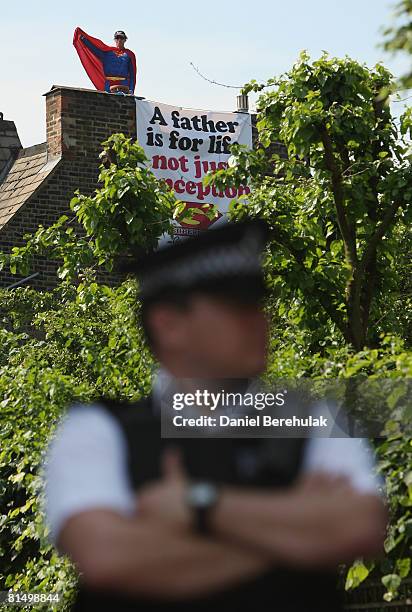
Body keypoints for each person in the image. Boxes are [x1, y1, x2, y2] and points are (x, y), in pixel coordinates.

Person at [44, 220, 387, 611]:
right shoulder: (96, 430)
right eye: (237, 306)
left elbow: (362, 528)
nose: (260, 320)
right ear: (169, 325)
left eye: (259, 304)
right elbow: (107, 556)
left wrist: (198, 505)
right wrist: (297, 538)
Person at [73, 27, 136, 94]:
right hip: (109, 85)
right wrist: (83, 39)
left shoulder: (129, 54)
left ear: (125, 40)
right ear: (115, 40)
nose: (119, 40)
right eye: (117, 38)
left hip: (124, 85)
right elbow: (94, 50)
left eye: (121, 38)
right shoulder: (108, 53)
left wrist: (131, 89)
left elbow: (132, 75)